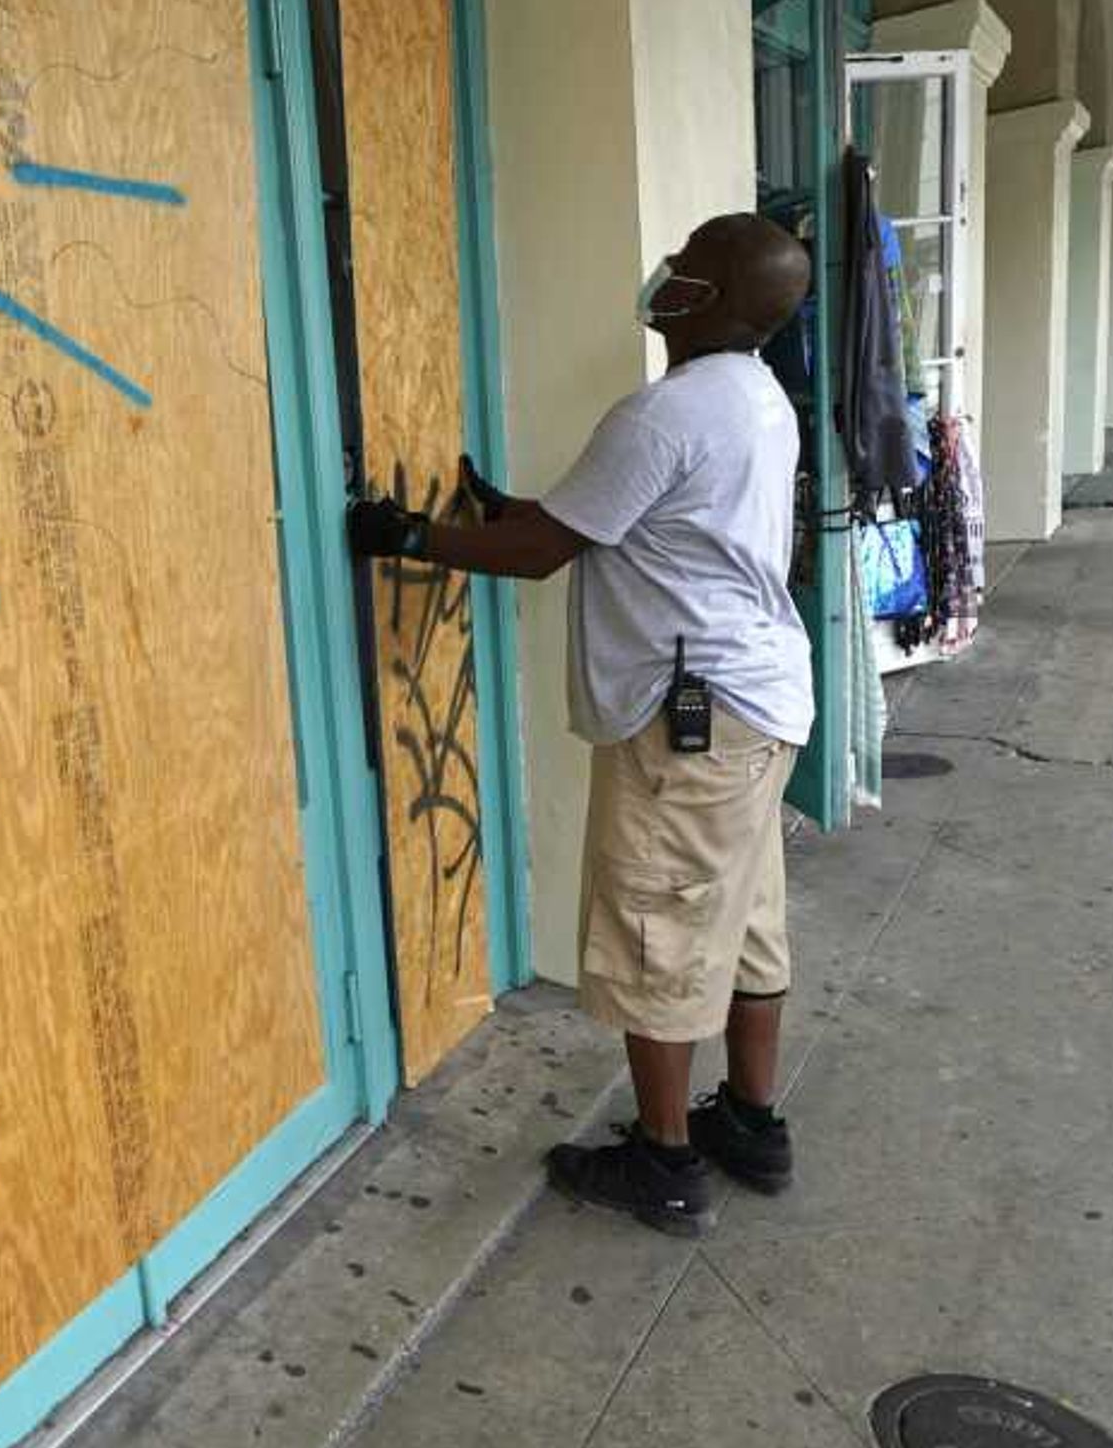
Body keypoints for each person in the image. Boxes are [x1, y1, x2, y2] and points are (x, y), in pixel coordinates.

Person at [346, 211, 815, 1238]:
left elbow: (543, 553)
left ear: (714, 297)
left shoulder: (664, 412)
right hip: (759, 708)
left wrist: (411, 533)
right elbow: (612, 523)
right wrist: (509, 508)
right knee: (741, 917)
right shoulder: (756, 398)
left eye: (689, 264)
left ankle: (666, 1162)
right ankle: (749, 1121)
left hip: (689, 718)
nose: (668, 273)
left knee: (658, 930)